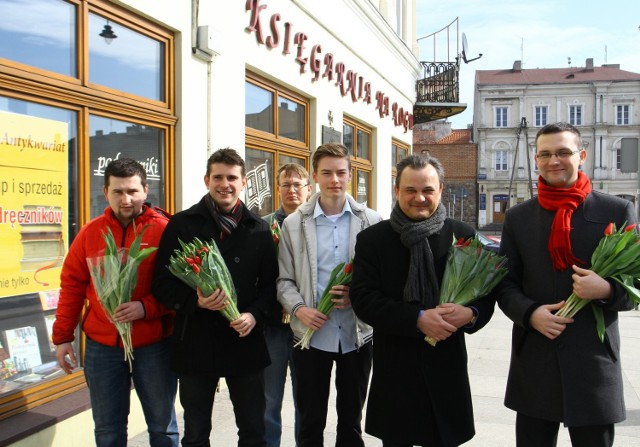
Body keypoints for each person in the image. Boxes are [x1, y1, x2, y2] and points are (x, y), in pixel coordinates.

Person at [496, 122, 637, 447]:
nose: (553, 161)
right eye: (545, 154)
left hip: (593, 366)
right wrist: (530, 314)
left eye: (563, 152)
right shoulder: (519, 217)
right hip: (535, 362)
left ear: (582, 155)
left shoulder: (617, 211)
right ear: (536, 159)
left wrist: (606, 290)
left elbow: (635, 286)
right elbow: (504, 284)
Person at [349, 154, 495, 447]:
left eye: (427, 190)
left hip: (446, 369)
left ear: (440, 190)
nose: (419, 198)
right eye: (410, 190)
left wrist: (470, 314)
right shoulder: (373, 240)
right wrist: (417, 319)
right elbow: (364, 299)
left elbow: (487, 294)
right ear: (396, 191)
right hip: (396, 371)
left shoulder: (462, 236)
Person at [152, 148, 278, 446]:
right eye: (218, 177)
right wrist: (194, 301)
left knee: (253, 431)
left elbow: (272, 287)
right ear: (206, 180)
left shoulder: (258, 229)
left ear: (244, 182)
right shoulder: (182, 224)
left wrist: (253, 315)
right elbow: (161, 283)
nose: (225, 184)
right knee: (195, 433)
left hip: (244, 341)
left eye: (232, 177)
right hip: (196, 341)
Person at [53, 158, 178, 447]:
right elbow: (71, 284)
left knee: (163, 427)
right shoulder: (90, 232)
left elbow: (180, 288)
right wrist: (62, 337)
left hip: (153, 346)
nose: (126, 199)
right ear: (105, 191)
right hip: (103, 347)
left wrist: (146, 308)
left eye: (132, 191)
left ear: (146, 190)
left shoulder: (164, 230)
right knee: (108, 430)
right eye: (118, 191)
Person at [277, 143, 382, 447]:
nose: (334, 179)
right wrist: (299, 309)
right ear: (315, 177)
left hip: (356, 335)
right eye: (327, 173)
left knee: (351, 423)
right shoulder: (294, 223)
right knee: (310, 422)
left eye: (340, 172)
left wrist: (358, 297)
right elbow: (283, 280)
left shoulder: (371, 222)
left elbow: (380, 280)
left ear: (351, 175)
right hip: (310, 336)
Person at [262, 163, 312, 447]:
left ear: (308, 189)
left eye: (297, 184)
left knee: (305, 400)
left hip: (305, 327)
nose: (291, 190)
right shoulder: (263, 226)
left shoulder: (316, 225)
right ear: (278, 188)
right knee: (269, 400)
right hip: (272, 329)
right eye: (285, 184)